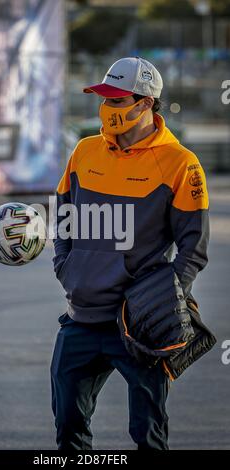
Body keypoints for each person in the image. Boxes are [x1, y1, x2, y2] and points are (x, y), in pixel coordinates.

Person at [50, 57, 209, 450]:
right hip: (81, 319)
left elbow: (194, 248)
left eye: (117, 100)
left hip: (138, 327)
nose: (107, 109)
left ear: (144, 103)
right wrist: (65, 267)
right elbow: (63, 215)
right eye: (103, 98)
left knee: (148, 435)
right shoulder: (84, 151)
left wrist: (164, 299)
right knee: (68, 430)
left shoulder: (181, 164)